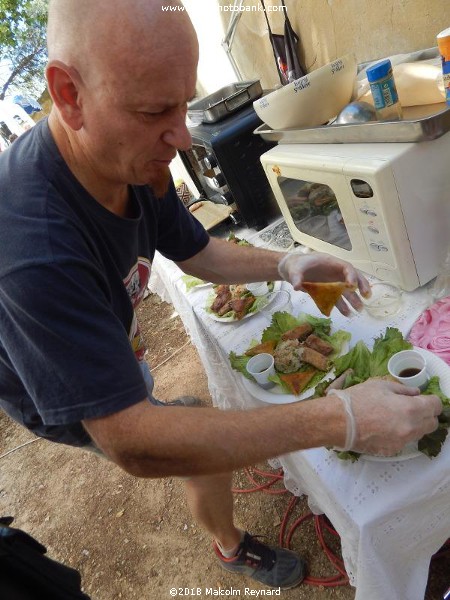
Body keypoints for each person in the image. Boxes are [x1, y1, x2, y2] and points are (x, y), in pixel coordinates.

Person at [0, 0, 442, 591]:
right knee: (185, 435)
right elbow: (132, 442)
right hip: (46, 378)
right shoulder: (33, 250)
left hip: (106, 331)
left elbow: (199, 254)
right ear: (68, 94)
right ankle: (230, 546)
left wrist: (288, 263)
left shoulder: (130, 161)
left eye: (184, 102)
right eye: (156, 110)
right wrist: (340, 418)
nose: (181, 135)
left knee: (184, 422)